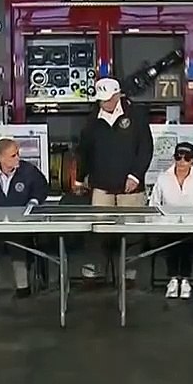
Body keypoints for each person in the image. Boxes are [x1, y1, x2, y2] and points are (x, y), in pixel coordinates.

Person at [76, 77, 154, 282]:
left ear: (118, 95)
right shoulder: (92, 119)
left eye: (108, 99)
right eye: (101, 100)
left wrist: (135, 176)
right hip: (101, 185)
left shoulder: (136, 115)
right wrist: (79, 178)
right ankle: (95, 273)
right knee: (98, 231)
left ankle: (128, 274)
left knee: (131, 233)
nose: (105, 104)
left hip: (131, 187)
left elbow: (145, 148)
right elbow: (84, 150)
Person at [0, 137, 48, 298]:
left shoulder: (29, 171)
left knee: (18, 242)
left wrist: (32, 204)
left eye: (17, 154)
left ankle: (23, 287)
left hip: (21, 223)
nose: (17, 158)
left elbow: (41, 189)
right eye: (13, 155)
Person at [149, 142, 193, 300]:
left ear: (192, 160)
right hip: (167, 226)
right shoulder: (163, 178)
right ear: (174, 158)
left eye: (187, 157)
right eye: (179, 156)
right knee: (172, 240)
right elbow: (153, 204)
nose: (182, 161)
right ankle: (173, 278)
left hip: (192, 227)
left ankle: (184, 279)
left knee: (187, 241)